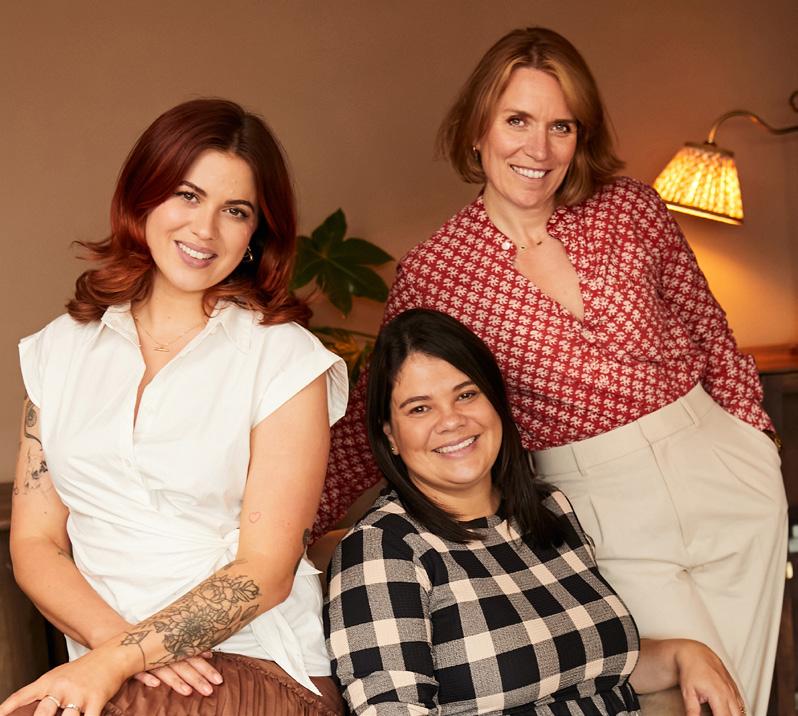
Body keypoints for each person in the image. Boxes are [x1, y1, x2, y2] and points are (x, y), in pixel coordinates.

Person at [317, 28, 786, 715]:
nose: (538, 149)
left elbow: (708, 328)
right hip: (598, 505)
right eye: (517, 121)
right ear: (477, 130)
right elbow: (378, 414)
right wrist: (282, 527)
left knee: (744, 698)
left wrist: (755, 440)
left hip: (724, 469)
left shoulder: (631, 208)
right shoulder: (436, 271)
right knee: (676, 698)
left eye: (560, 126)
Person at [1, 99, 348, 716]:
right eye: (187, 196)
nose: (204, 230)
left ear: (256, 233)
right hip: (104, 666)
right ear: (143, 198)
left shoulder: (285, 358)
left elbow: (264, 571)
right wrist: (119, 648)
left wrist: (121, 659)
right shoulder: (58, 350)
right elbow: (35, 540)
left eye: (235, 210)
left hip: (250, 659)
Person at [325, 308, 743, 715]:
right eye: (420, 408)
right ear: (390, 435)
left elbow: (597, 669)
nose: (451, 421)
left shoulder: (546, 509)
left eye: (466, 395)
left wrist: (683, 655)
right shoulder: (382, 549)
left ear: (495, 402)